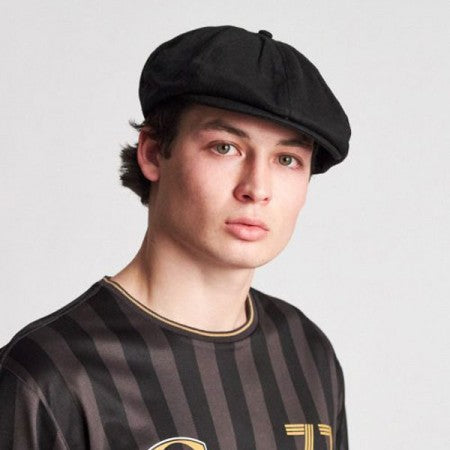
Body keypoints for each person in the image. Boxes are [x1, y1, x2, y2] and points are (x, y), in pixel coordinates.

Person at [0, 25, 351, 450]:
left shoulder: (307, 353)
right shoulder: (49, 375)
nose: (257, 188)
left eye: (288, 159)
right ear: (152, 152)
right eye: (225, 148)